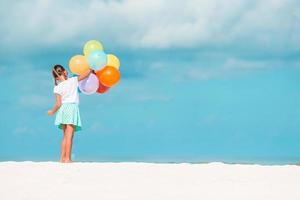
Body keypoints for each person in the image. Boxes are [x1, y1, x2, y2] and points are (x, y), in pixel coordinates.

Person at [47, 64, 92, 163]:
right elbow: (86, 74)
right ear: (64, 72)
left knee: (65, 136)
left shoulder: (57, 87)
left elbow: (58, 104)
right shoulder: (72, 81)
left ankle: (62, 158)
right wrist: (92, 68)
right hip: (71, 108)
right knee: (70, 136)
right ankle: (68, 159)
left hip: (63, 109)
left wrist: (52, 112)